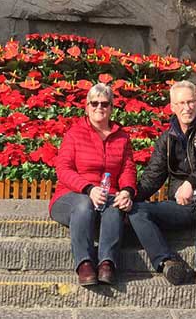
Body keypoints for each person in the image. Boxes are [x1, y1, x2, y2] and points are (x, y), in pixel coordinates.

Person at [128, 80, 196, 287]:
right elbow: (152, 178)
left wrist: (192, 182)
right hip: (182, 205)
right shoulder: (167, 139)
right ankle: (168, 262)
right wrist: (128, 196)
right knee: (137, 211)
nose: (188, 108)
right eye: (182, 103)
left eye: (191, 101)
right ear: (173, 107)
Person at [49, 83, 136, 286]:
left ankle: (107, 263)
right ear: (86, 107)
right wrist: (88, 189)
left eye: (104, 104)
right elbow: (63, 169)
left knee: (115, 209)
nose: (99, 107)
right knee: (83, 204)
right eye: (94, 103)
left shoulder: (122, 137)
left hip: (108, 195)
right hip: (71, 195)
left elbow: (127, 169)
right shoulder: (74, 134)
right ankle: (85, 263)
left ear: (112, 108)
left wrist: (127, 191)